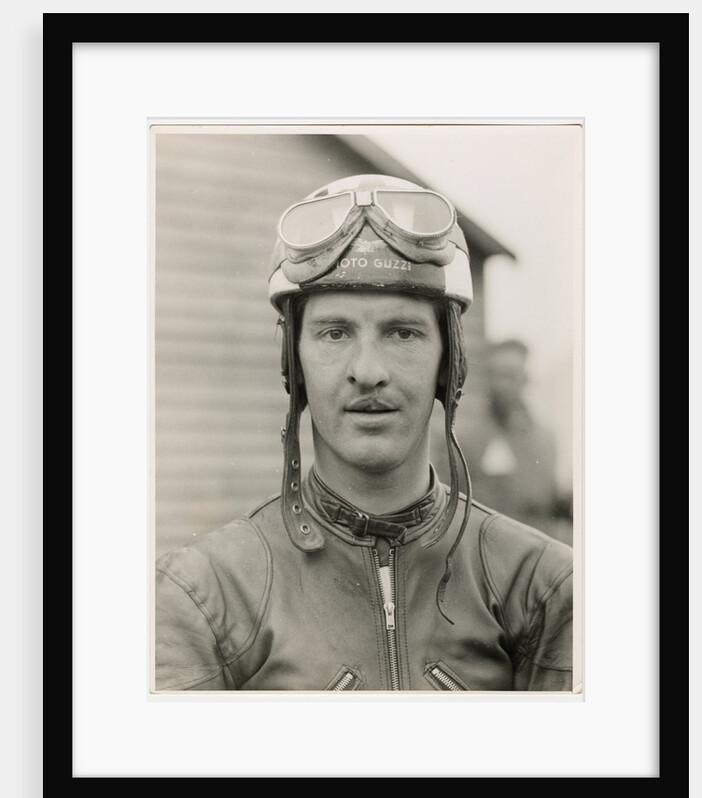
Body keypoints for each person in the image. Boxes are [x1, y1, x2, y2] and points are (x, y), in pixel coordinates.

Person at [154, 173, 574, 692]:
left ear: (450, 363)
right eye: (335, 333)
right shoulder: (203, 596)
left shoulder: (545, 589)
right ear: (295, 363)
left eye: (403, 332)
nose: (368, 370)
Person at [459, 338, 574, 543]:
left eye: (509, 376)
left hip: (539, 553)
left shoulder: (545, 439)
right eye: (494, 375)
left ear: (525, 379)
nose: (501, 386)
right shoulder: (466, 439)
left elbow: (549, 503)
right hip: (489, 552)